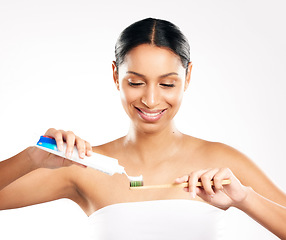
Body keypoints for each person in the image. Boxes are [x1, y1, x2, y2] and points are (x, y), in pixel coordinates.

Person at [0, 18, 285, 239]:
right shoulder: (82, 166)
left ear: (187, 78)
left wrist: (246, 199)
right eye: (136, 82)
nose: (150, 100)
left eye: (167, 84)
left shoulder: (223, 164)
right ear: (115, 75)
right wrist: (30, 158)